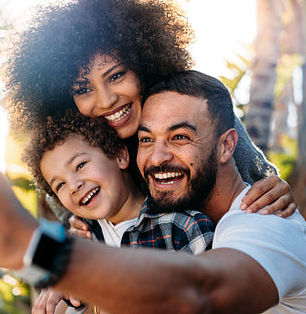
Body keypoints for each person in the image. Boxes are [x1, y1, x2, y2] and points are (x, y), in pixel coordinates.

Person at [0, 70, 306, 313]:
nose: (157, 157)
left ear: (228, 144)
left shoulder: (266, 221)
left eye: (182, 137)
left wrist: (30, 247)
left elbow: (201, 295)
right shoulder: (97, 225)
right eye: (146, 139)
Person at [0, 0, 295, 217]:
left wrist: (275, 190)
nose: (106, 100)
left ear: (144, 64)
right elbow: (75, 235)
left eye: (116, 76)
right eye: (83, 89)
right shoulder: (72, 163)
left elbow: (259, 182)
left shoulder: (193, 107)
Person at [24, 110, 214, 312]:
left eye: (80, 165)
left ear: (120, 156)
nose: (73, 186)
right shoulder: (77, 241)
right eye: (60, 185)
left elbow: (214, 299)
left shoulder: (182, 227)